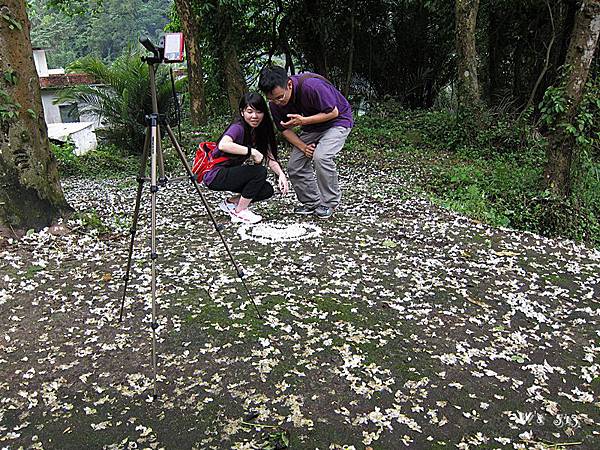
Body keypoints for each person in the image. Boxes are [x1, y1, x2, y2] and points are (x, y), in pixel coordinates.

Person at [258, 66, 353, 219]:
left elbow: (333, 112)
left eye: (280, 97)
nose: (277, 102)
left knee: (321, 157)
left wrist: (303, 121)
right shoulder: (275, 104)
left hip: (338, 121)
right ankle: (312, 202)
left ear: (289, 85)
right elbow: (284, 130)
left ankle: (330, 203)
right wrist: (303, 147)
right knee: (294, 166)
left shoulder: (311, 86)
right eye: (272, 99)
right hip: (312, 127)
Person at [203, 92, 289, 224]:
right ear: (242, 112)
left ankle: (230, 204)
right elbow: (223, 145)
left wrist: (281, 174)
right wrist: (251, 152)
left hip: (229, 172)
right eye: (250, 111)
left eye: (259, 112)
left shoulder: (259, 131)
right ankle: (239, 212)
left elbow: (269, 157)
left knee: (266, 190)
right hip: (214, 174)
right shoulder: (238, 127)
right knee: (259, 172)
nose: (254, 116)